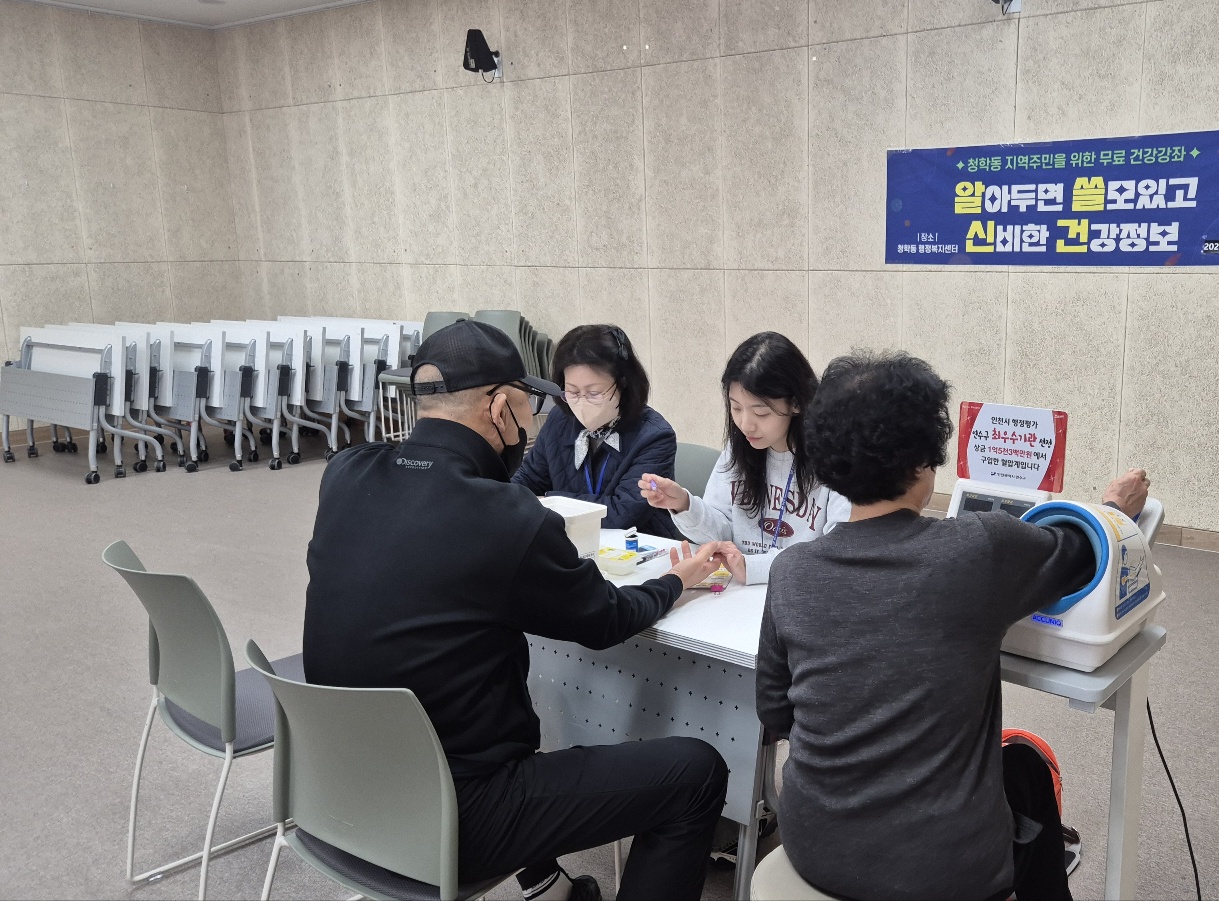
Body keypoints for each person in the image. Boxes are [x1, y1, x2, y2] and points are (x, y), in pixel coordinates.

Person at [302, 320, 733, 901]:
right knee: (696, 772)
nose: (538, 420)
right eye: (532, 404)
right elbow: (603, 621)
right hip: (459, 814)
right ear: (501, 406)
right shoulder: (503, 517)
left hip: (341, 792)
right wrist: (674, 581)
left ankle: (549, 885)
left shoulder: (345, 473)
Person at [756, 350, 1150, 901]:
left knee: (1023, 772)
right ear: (924, 460)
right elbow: (1083, 550)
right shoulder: (976, 549)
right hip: (941, 869)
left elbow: (776, 712)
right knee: (1026, 768)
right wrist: (1117, 506)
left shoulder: (790, 571)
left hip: (815, 842)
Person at [637, 332, 851, 585]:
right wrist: (684, 504)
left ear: (796, 403)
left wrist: (754, 568)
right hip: (737, 594)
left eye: (760, 412)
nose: (745, 424)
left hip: (801, 593)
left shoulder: (833, 457)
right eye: (736, 408)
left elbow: (838, 552)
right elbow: (721, 533)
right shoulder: (740, 449)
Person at [513, 324, 681, 539]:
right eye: (572, 392)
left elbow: (623, 513)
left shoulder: (655, 436)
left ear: (623, 384)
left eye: (593, 393)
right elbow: (524, 484)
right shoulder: (560, 420)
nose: (581, 403)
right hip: (571, 544)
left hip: (638, 550)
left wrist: (548, 501)